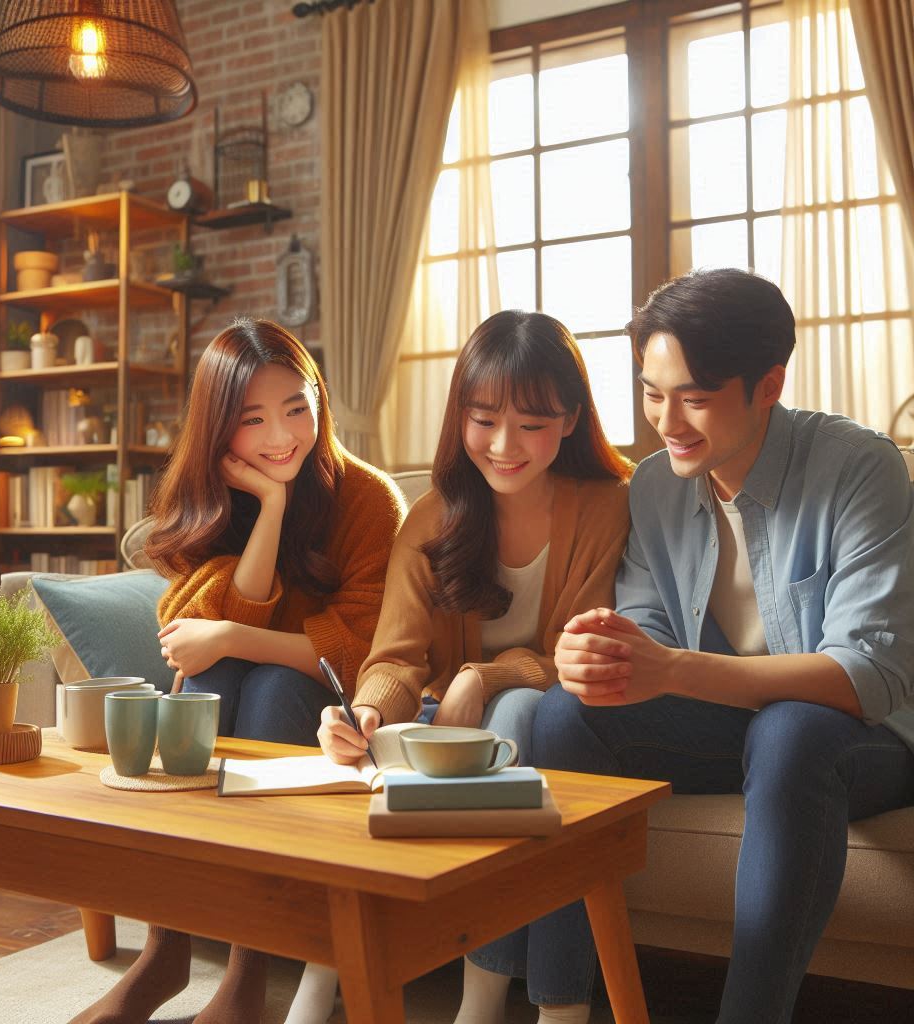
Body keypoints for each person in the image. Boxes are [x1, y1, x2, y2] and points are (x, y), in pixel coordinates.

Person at [478, 268, 914, 1024]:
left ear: (769, 384)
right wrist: (604, 652)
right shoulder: (655, 486)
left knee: (792, 728)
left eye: (696, 398)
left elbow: (867, 677)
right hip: (734, 725)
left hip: (863, 736)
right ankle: (562, 1012)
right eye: (651, 392)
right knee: (561, 714)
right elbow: (647, 632)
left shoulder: (859, 467)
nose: (667, 421)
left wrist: (670, 668)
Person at [298, 309, 632, 1024]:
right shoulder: (435, 516)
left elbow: (576, 652)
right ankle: (321, 978)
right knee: (350, 763)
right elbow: (395, 657)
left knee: (518, 712)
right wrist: (363, 713)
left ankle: (480, 1001)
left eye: (532, 423)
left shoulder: (608, 506)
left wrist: (484, 676)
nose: (504, 445)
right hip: (432, 721)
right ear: (461, 417)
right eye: (484, 419)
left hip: (531, 716)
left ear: (571, 419)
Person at [68, 317, 405, 1024]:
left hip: (330, 707)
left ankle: (247, 974)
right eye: (254, 419)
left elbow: (362, 648)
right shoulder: (205, 500)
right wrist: (271, 510)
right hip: (241, 688)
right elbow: (188, 636)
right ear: (219, 426)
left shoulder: (370, 500)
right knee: (213, 685)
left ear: (320, 398)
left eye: (296, 408)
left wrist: (230, 635)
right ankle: (165, 951)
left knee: (273, 681)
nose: (281, 436)